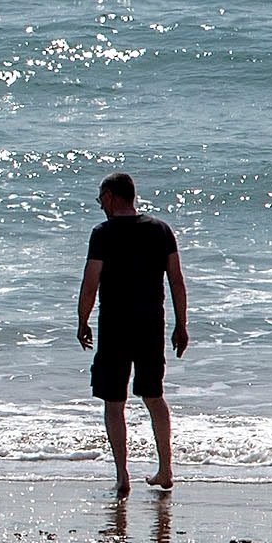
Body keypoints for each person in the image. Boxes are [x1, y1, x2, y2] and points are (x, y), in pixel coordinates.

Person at [74, 171, 188, 497]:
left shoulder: (103, 234)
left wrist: (82, 321)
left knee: (114, 402)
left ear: (110, 196)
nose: (100, 206)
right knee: (154, 397)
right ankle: (165, 468)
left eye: (100, 200)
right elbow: (176, 281)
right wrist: (182, 324)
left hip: (115, 327)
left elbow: (90, 282)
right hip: (151, 325)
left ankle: (122, 475)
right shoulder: (160, 231)